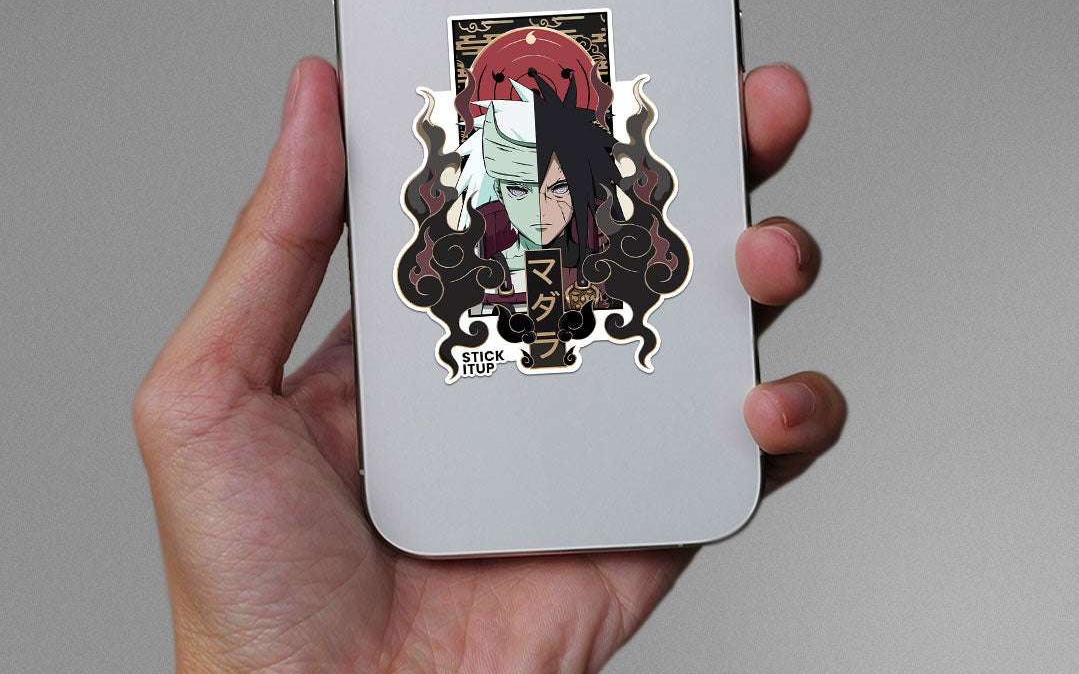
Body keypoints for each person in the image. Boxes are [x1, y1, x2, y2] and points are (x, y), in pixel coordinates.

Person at [133, 57, 845, 673]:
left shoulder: (612, 270)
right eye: (518, 189)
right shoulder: (473, 274)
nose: (540, 210)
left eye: (558, 189)